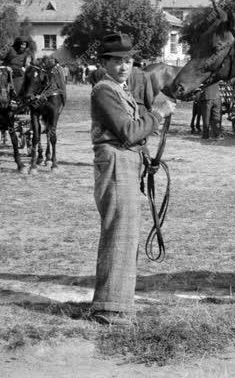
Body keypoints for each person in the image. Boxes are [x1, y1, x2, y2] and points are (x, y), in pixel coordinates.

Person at [90, 33, 176, 326]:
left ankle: (118, 305)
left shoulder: (120, 89)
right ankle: (109, 309)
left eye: (127, 60)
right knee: (119, 232)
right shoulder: (104, 90)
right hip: (114, 161)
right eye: (116, 61)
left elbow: (134, 134)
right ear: (104, 63)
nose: (124, 66)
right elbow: (128, 131)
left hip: (125, 160)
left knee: (126, 233)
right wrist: (158, 114)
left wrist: (146, 155)